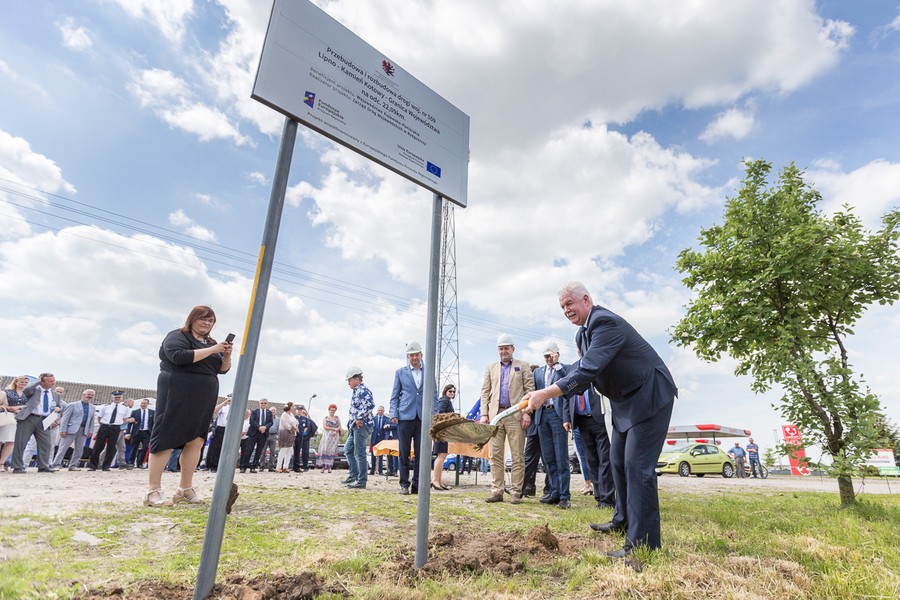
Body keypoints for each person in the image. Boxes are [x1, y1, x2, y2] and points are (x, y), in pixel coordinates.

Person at [523, 282, 677, 559]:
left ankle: (642, 545)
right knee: (617, 463)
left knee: (637, 467)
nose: (566, 310)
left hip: (650, 395)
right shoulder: (583, 336)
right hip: (624, 403)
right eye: (562, 307)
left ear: (586, 299)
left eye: (569, 303)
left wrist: (546, 392)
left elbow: (587, 369)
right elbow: (585, 378)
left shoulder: (605, 323)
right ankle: (623, 521)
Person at [145, 305, 233, 507]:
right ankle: (153, 491)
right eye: (203, 319)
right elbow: (179, 357)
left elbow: (222, 369)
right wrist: (214, 349)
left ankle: (184, 488)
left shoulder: (211, 342)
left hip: (204, 396)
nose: (207, 323)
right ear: (192, 319)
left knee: (196, 440)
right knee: (166, 437)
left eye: (211, 321)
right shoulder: (178, 336)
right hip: (177, 392)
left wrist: (226, 356)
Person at [480, 334, 535, 504]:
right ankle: (497, 491)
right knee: (496, 455)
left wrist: (527, 412)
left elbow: (529, 390)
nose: (504, 351)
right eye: (501, 348)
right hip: (496, 416)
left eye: (506, 348)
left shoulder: (523, 366)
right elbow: (485, 392)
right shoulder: (491, 368)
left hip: (515, 416)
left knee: (518, 455)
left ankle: (516, 492)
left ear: (513, 349)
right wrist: (484, 414)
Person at [389, 342, 438, 495]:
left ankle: (417, 484)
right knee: (404, 452)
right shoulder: (400, 373)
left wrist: (434, 415)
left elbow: (434, 395)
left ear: (421, 355)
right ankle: (404, 484)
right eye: (412, 355)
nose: (414, 358)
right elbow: (394, 396)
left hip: (423, 418)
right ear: (408, 357)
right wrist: (393, 414)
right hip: (404, 416)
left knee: (421, 453)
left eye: (417, 354)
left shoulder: (429, 372)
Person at [534, 342, 572, 509]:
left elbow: (568, 385)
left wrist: (557, 365)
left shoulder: (564, 369)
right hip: (542, 415)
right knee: (548, 458)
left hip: (557, 416)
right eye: (546, 356)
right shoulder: (538, 373)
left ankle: (565, 496)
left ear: (557, 354)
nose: (548, 358)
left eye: (551, 355)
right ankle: (554, 492)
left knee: (561, 457)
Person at [566, 388, 616, 508]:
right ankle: (599, 497)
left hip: (600, 419)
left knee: (605, 459)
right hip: (581, 421)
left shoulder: (596, 368)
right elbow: (566, 397)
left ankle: (607, 499)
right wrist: (567, 418)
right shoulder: (571, 370)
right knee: (591, 461)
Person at [10, 373, 65, 473]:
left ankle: (43, 466)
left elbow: (57, 406)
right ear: (42, 382)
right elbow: (26, 391)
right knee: (20, 443)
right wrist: (38, 382)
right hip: (29, 418)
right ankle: (17, 466)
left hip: (45, 420)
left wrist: (58, 409)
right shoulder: (34, 390)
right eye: (50, 381)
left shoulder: (55, 394)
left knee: (46, 444)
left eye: (53, 380)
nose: (53, 383)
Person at [344, 367, 374, 489]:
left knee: (360, 452)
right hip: (354, 426)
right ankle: (354, 476)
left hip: (361, 425)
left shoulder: (362, 390)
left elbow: (370, 405)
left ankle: (361, 481)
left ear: (357, 379)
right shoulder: (357, 391)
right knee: (348, 449)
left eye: (349, 380)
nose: (348, 383)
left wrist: (359, 418)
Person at [51, 389, 97, 470]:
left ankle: (73, 465)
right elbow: (65, 418)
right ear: (83, 394)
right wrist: (63, 430)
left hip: (83, 430)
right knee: (63, 448)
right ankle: (56, 464)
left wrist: (90, 431)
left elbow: (92, 420)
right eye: (88, 394)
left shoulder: (93, 407)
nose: (90, 396)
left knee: (79, 450)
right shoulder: (72, 405)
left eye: (92, 395)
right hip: (70, 429)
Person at [90, 391, 129, 471]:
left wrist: (118, 424)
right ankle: (93, 466)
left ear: (121, 398)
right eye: (115, 397)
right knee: (98, 446)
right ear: (112, 398)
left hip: (116, 428)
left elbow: (125, 419)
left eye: (119, 397)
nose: (117, 399)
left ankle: (106, 466)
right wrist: (103, 425)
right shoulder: (106, 407)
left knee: (111, 447)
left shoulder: (125, 409)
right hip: (104, 426)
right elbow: (99, 417)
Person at [0, 375, 29, 470]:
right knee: (1, 440)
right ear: (16, 382)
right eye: (22, 382)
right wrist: (10, 408)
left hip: (20, 419)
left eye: (25, 382)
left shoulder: (28, 394)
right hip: (7, 418)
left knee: (11, 441)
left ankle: (2, 463)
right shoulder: (6, 393)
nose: (24, 384)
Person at [430, 384, 455, 491]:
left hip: (444, 431)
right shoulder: (444, 400)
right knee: (441, 455)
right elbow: (439, 413)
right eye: (450, 391)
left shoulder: (447, 401)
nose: (452, 393)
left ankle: (439, 481)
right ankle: (435, 480)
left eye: (453, 391)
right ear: (445, 391)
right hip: (441, 431)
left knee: (443, 455)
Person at [241, 398, 272, 473]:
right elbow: (252, 421)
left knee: (259, 451)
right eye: (262, 403)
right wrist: (259, 427)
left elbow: (271, 422)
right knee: (249, 450)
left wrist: (265, 427)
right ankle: (243, 466)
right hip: (254, 432)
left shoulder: (269, 413)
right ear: (259, 404)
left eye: (265, 403)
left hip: (263, 433)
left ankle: (253, 467)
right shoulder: (254, 411)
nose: (263, 404)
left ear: (267, 404)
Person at [205, 394, 231, 473]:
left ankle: (223, 466)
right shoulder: (224, 407)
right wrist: (225, 402)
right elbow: (215, 410)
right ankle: (213, 466)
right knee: (216, 447)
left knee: (227, 449)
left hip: (230, 429)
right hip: (221, 428)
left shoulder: (237, 408)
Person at [127, 399, 154, 469]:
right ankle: (131, 463)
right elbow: (130, 423)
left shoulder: (152, 412)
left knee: (145, 447)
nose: (143, 404)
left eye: (145, 403)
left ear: (148, 404)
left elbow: (153, 424)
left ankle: (140, 463)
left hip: (147, 432)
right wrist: (128, 432)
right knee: (134, 448)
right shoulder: (135, 412)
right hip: (137, 432)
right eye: (142, 403)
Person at [317, 404, 342, 473]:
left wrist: (336, 430)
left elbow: (340, 426)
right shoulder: (326, 418)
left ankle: (329, 467)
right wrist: (333, 428)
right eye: (331, 410)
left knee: (331, 450)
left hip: (334, 436)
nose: (333, 411)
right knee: (325, 449)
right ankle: (323, 466)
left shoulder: (337, 418)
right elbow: (325, 427)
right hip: (327, 435)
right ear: (329, 410)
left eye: (334, 410)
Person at [293, 405, 317, 472]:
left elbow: (309, 427)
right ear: (296, 411)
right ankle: (294, 466)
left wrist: (305, 432)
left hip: (305, 438)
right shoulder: (294, 418)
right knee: (296, 452)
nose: (300, 411)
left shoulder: (306, 419)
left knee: (305, 452)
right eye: (299, 410)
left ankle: (305, 466)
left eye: (301, 410)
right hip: (296, 437)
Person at [276, 403, 298, 472]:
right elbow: (285, 424)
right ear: (290, 407)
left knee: (289, 451)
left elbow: (295, 422)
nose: (294, 407)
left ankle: (286, 466)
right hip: (285, 433)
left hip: (291, 434)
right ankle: (278, 467)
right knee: (283, 450)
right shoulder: (284, 414)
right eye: (293, 406)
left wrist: (296, 427)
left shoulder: (292, 415)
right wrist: (293, 427)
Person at [369, 406, 391, 476]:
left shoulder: (387, 419)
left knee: (381, 455)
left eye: (381, 410)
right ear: (377, 411)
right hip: (374, 438)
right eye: (379, 410)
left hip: (382, 439)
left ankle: (380, 471)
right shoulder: (373, 419)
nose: (380, 411)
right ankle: (372, 470)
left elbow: (388, 428)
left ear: (383, 411)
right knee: (373, 455)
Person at [262, 406, 280, 472]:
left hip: (273, 436)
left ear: (276, 412)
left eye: (274, 410)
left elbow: (278, 427)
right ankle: (262, 466)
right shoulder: (265, 418)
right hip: (266, 435)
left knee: (273, 452)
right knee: (263, 452)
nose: (273, 411)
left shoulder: (278, 419)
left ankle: (271, 467)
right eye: (271, 410)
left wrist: (277, 436)